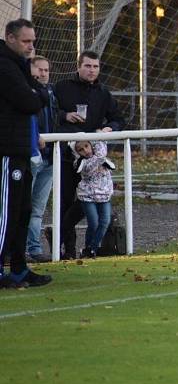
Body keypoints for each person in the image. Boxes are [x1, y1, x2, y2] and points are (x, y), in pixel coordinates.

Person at [53, 50, 125, 259]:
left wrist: (108, 129)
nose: (92, 70)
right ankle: (66, 249)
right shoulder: (63, 87)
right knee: (64, 201)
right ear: (79, 66)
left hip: (93, 163)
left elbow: (118, 119)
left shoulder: (103, 92)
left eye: (95, 66)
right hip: (67, 156)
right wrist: (65, 115)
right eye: (88, 66)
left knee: (86, 204)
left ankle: (72, 241)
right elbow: (49, 113)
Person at [0, 18, 53, 288]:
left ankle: (19, 268)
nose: (31, 46)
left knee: (22, 211)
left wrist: (38, 93)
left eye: (33, 41)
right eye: (26, 41)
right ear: (10, 38)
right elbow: (29, 100)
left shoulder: (19, 66)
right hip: (7, 151)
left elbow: (36, 96)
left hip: (23, 148)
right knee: (6, 213)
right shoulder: (5, 65)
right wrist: (39, 94)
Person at [26, 55, 58, 262]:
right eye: (40, 70)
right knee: (21, 207)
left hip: (49, 159)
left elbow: (55, 117)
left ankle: (34, 249)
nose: (43, 74)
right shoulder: (25, 93)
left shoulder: (51, 94)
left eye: (46, 70)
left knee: (38, 209)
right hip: (30, 157)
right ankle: (13, 249)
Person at [70, 140, 115, 258]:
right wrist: (100, 157)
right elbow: (89, 169)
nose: (85, 150)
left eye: (86, 146)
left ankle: (90, 249)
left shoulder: (101, 157)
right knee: (93, 223)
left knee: (105, 221)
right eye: (81, 149)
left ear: (91, 145)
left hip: (104, 195)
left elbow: (103, 153)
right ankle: (89, 248)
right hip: (87, 196)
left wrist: (101, 133)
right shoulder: (80, 163)